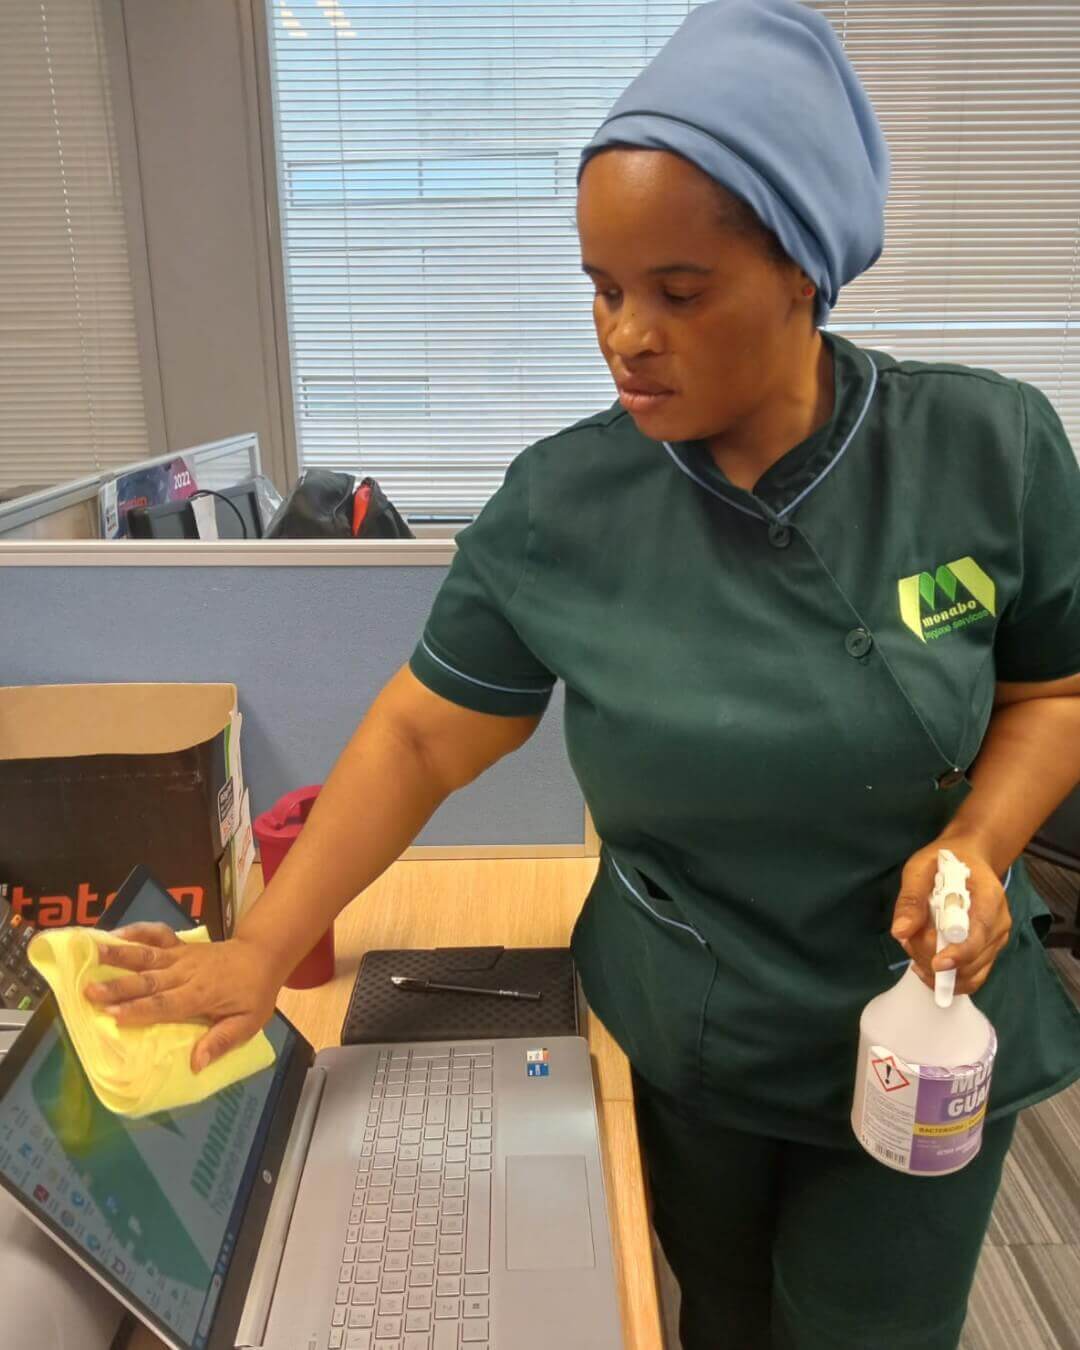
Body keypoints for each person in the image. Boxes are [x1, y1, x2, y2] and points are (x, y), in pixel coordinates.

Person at [88, 1, 1080, 1345]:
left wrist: (977, 840)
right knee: (717, 1315)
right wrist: (262, 946)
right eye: (603, 288)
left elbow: (1054, 693)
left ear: (803, 268)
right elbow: (422, 738)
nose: (626, 334)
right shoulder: (565, 505)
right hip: (694, 1037)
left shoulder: (989, 449)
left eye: (679, 291)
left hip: (930, 1022)